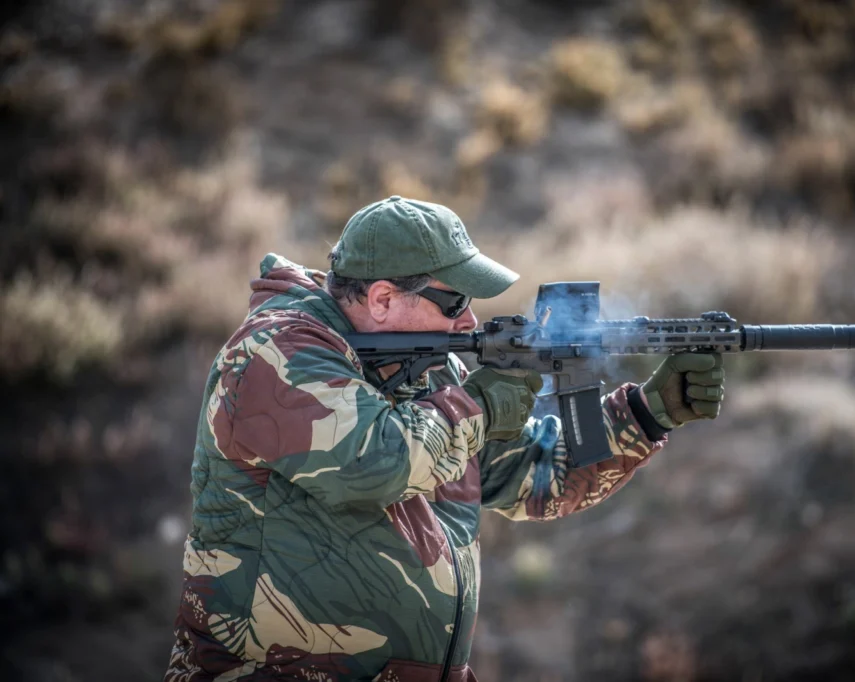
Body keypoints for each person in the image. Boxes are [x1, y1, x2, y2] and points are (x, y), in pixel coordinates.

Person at [164, 195, 725, 682]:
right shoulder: (274, 351)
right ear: (382, 299)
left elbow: (531, 479)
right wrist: (481, 403)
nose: (468, 321)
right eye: (453, 301)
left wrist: (647, 415)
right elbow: (375, 461)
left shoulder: (432, 372)